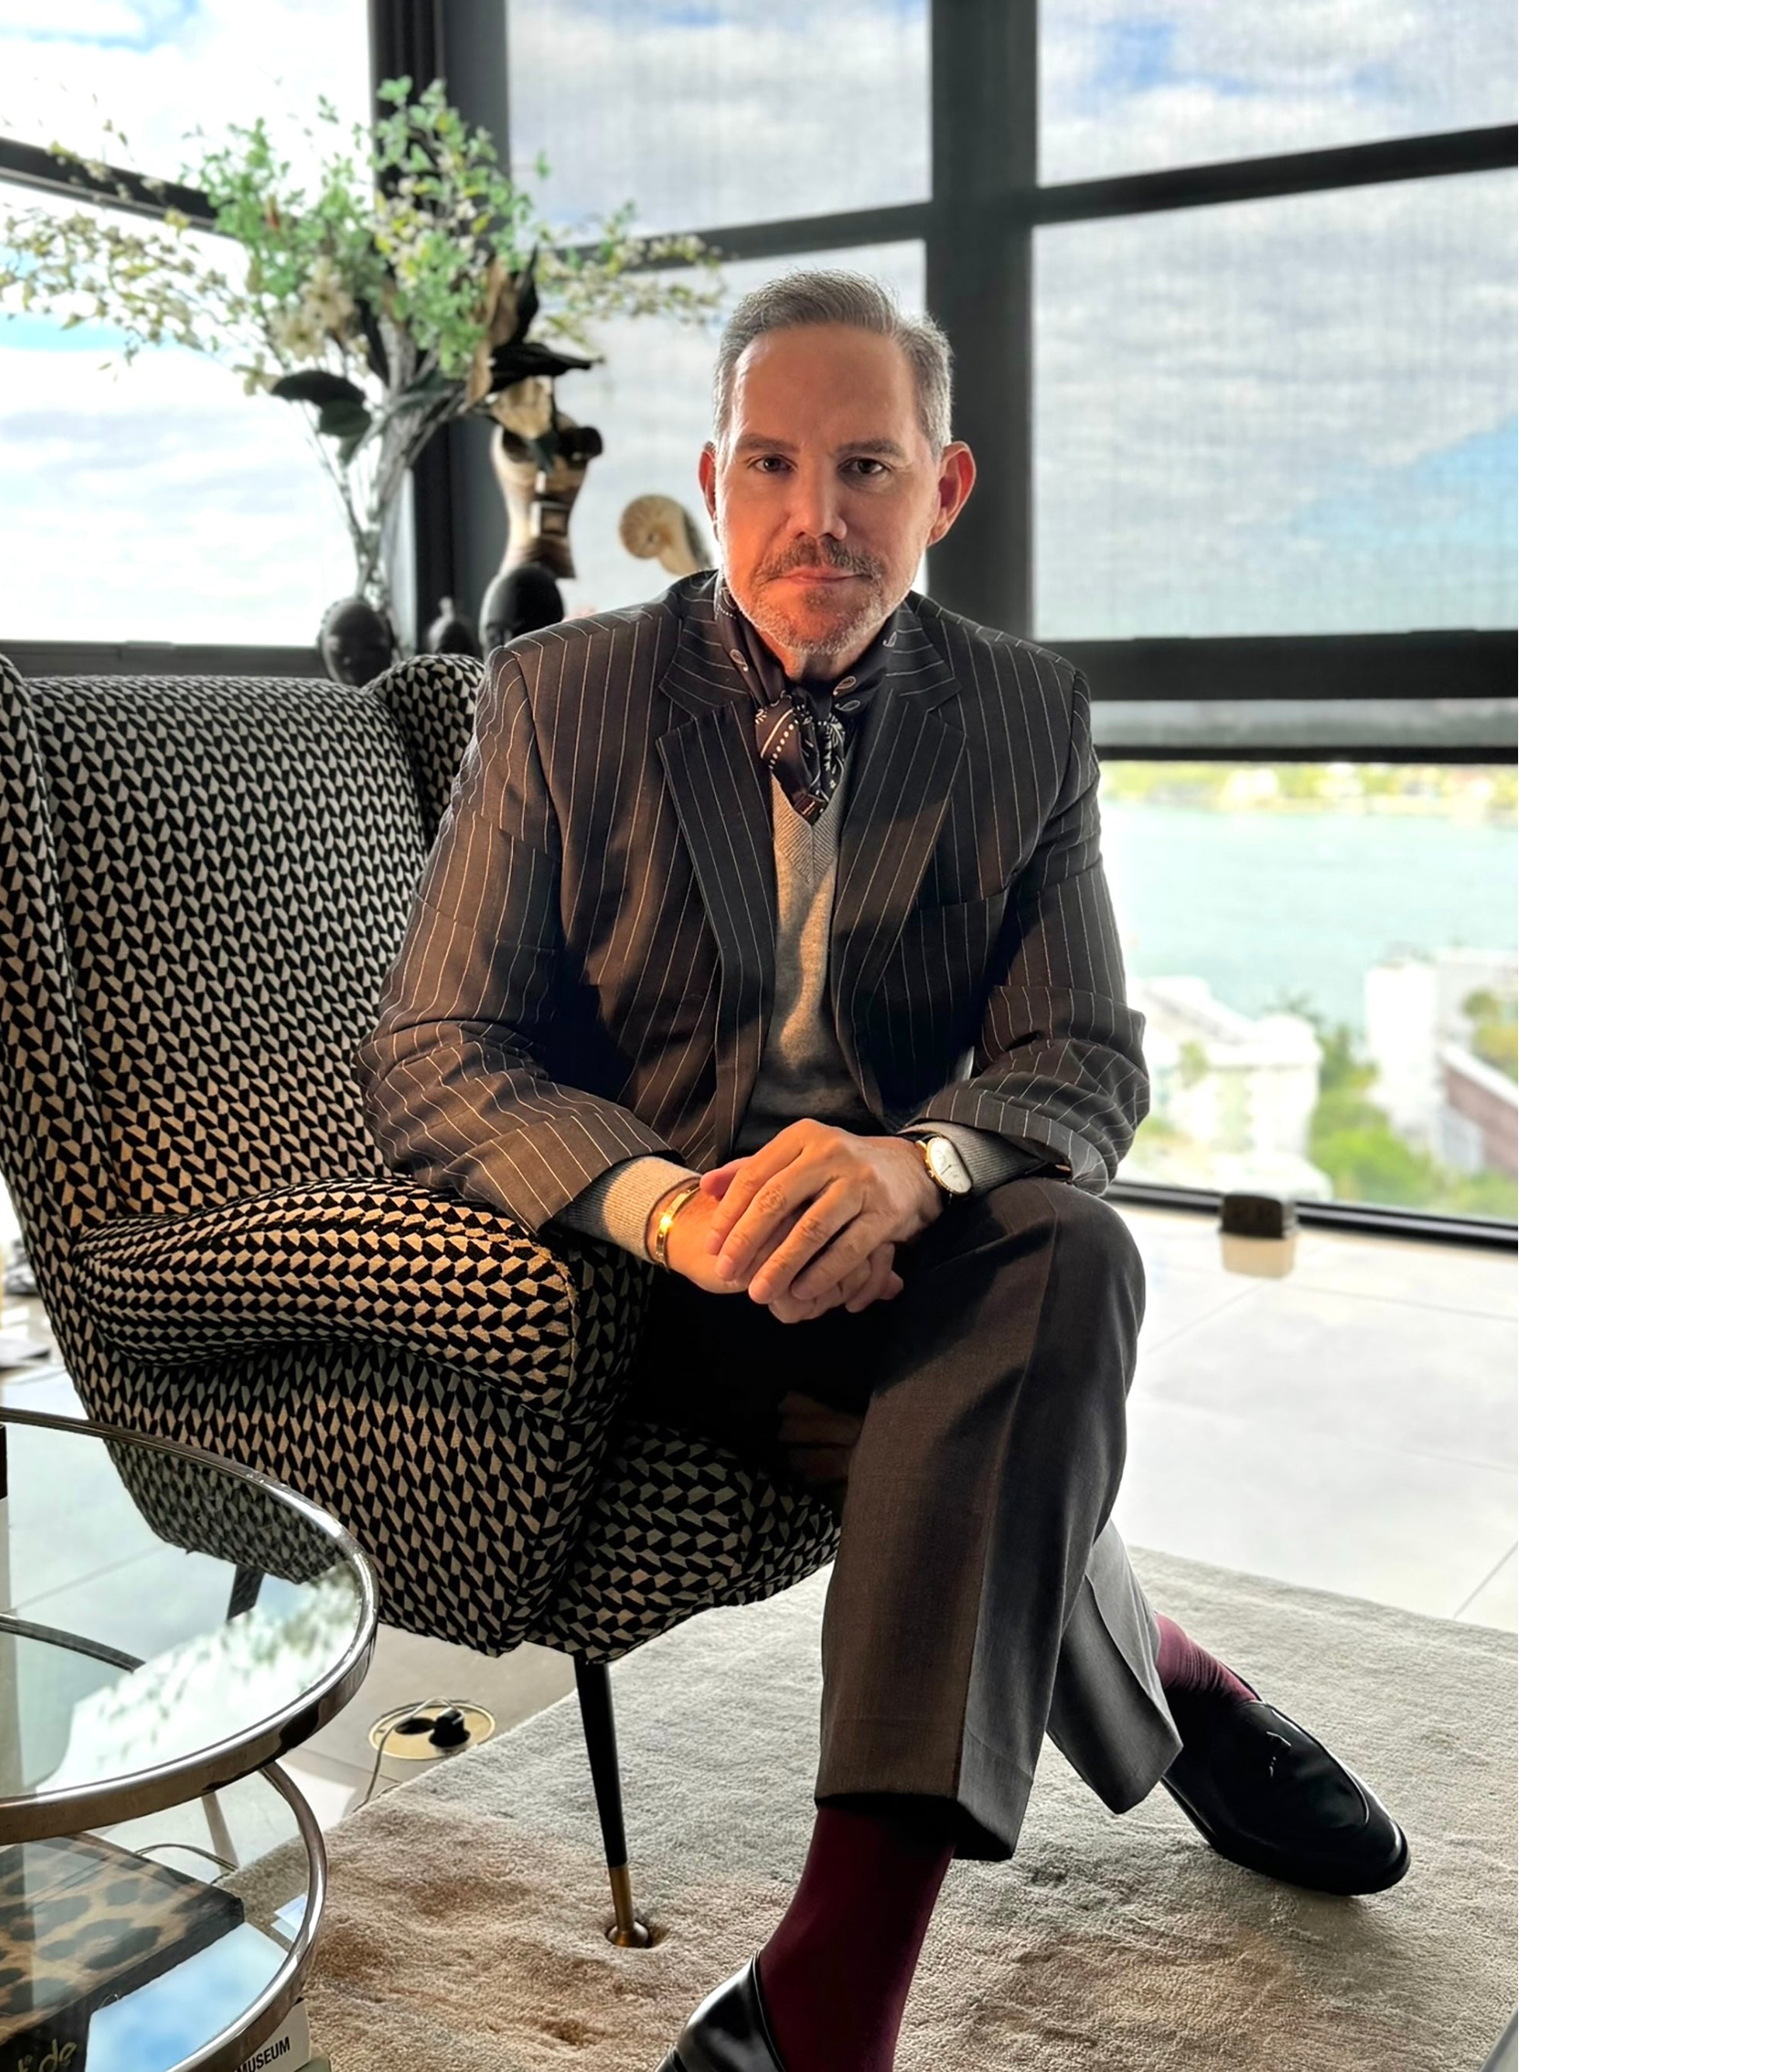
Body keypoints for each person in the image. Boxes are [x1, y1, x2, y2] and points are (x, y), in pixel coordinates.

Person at [356, 269, 1407, 2072]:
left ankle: (831, 1983)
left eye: (866, 466)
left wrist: (915, 1170)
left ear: (946, 487)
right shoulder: (560, 696)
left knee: (1069, 1257)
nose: (814, 515)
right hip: (653, 1285)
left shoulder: (1022, 712)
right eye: (770, 464)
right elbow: (437, 1051)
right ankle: (1175, 1679)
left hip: (914, 1263)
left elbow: (1086, 1056)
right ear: (714, 477)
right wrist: (679, 1212)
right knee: (998, 1404)